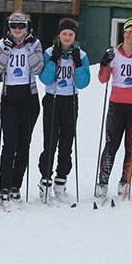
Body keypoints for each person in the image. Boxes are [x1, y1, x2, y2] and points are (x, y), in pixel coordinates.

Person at [0, 12, 44, 205]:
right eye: (14, 26)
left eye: (21, 26)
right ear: (9, 28)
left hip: (29, 97)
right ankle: (4, 186)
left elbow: (38, 68)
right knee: (9, 144)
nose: (17, 29)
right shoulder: (1, 44)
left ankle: (16, 186)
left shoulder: (35, 44)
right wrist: (7, 49)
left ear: (26, 27)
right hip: (10, 97)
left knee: (24, 144)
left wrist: (28, 48)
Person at [96, 19, 132, 199]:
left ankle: (125, 182)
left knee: (131, 146)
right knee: (111, 144)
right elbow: (103, 79)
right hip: (117, 104)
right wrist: (104, 63)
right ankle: (103, 182)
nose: (131, 36)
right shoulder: (113, 53)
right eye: (129, 32)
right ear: (124, 33)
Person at [37, 17, 90, 202]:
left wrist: (78, 64)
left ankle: (61, 181)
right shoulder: (49, 52)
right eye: (64, 34)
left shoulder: (81, 54)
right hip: (52, 98)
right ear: (59, 35)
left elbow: (83, 83)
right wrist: (53, 60)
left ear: (75, 37)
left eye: (70, 34)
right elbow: (44, 79)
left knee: (67, 142)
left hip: (70, 100)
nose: (67, 37)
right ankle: (45, 179)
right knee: (50, 141)